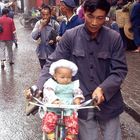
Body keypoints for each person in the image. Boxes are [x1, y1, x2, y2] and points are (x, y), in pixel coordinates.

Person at [25, 0, 128, 139]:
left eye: (100, 18)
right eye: (90, 16)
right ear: (83, 13)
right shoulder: (70, 36)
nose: (94, 23)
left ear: (106, 16)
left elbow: (119, 70)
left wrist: (103, 88)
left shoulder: (114, 38)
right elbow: (52, 62)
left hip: (109, 103)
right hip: (81, 104)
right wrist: (38, 87)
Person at [41, 59, 85, 140]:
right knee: (49, 118)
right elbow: (48, 91)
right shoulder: (51, 83)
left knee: (72, 120)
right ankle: (50, 135)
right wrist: (54, 100)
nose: (66, 79)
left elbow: (78, 92)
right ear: (55, 76)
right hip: (54, 107)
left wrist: (77, 98)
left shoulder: (73, 85)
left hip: (68, 107)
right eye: (62, 77)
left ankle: (70, 136)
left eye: (69, 77)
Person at [31, 4, 60, 69]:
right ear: (41, 15)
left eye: (47, 15)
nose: (45, 17)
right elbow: (33, 36)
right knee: (44, 72)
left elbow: (61, 36)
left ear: (50, 14)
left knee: (52, 73)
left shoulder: (55, 24)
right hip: (42, 54)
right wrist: (41, 27)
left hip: (52, 54)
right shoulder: (38, 24)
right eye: (43, 15)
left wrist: (54, 40)